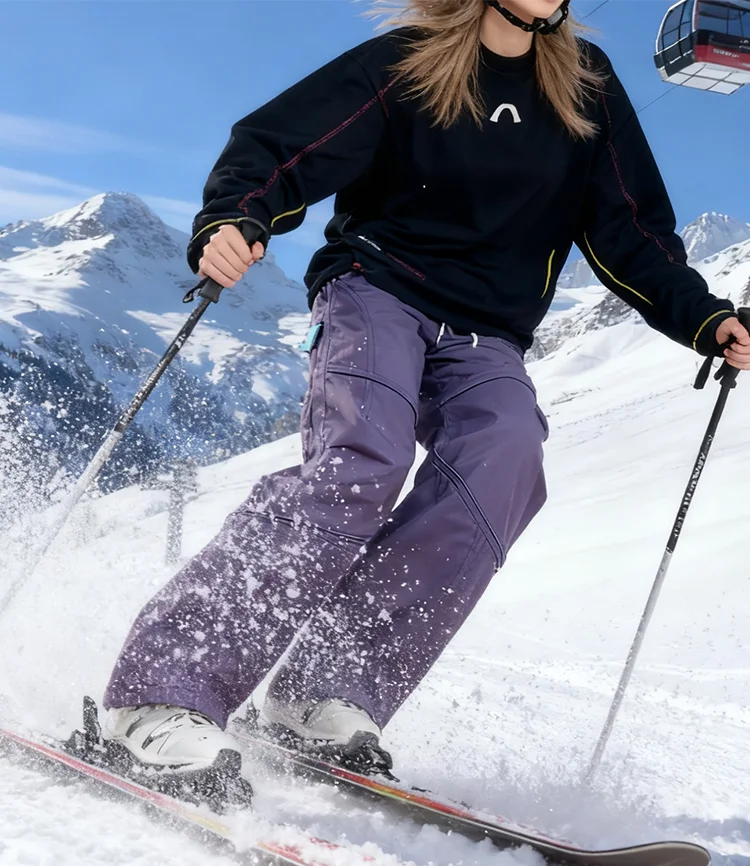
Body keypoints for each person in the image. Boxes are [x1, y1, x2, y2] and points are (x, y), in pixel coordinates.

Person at [101, 0, 750, 775]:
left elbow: (631, 232)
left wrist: (705, 319)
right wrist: (236, 218)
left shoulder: (585, 86)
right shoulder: (410, 61)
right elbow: (281, 144)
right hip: (376, 291)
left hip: (488, 334)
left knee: (507, 458)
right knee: (362, 460)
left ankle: (325, 689)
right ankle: (161, 692)